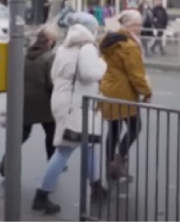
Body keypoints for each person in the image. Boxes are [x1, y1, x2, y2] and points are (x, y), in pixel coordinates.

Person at [32, 12, 109, 214]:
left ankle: (96, 185)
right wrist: (103, 64)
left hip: (64, 101)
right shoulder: (87, 47)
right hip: (77, 105)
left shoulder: (66, 47)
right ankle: (42, 194)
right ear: (90, 29)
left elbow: (54, 73)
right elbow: (90, 74)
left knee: (91, 144)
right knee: (65, 150)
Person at [0, 25, 58, 178]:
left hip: (24, 100)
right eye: (54, 40)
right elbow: (51, 82)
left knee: (21, 134)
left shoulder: (26, 54)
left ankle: (4, 163)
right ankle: (52, 166)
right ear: (49, 41)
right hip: (45, 102)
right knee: (51, 134)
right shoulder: (49, 57)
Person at [99, 10, 153, 181]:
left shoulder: (111, 40)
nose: (140, 27)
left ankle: (110, 166)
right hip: (123, 91)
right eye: (137, 24)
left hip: (109, 87)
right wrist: (147, 92)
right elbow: (135, 74)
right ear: (129, 25)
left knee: (114, 130)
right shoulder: (129, 46)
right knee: (135, 127)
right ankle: (118, 161)